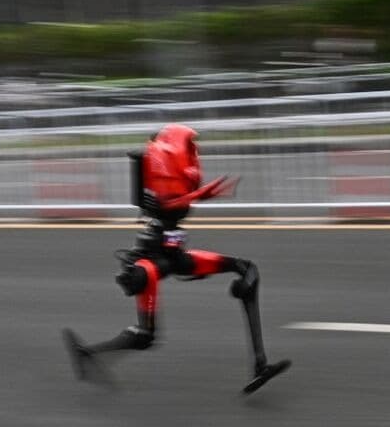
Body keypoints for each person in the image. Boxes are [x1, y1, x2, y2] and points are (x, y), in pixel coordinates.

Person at [62, 123, 290, 394]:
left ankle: (260, 365)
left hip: (175, 257)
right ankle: (87, 354)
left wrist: (198, 195)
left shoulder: (171, 181)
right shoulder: (157, 181)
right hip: (150, 265)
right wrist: (200, 194)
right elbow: (169, 205)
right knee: (146, 336)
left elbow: (177, 204)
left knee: (246, 269)